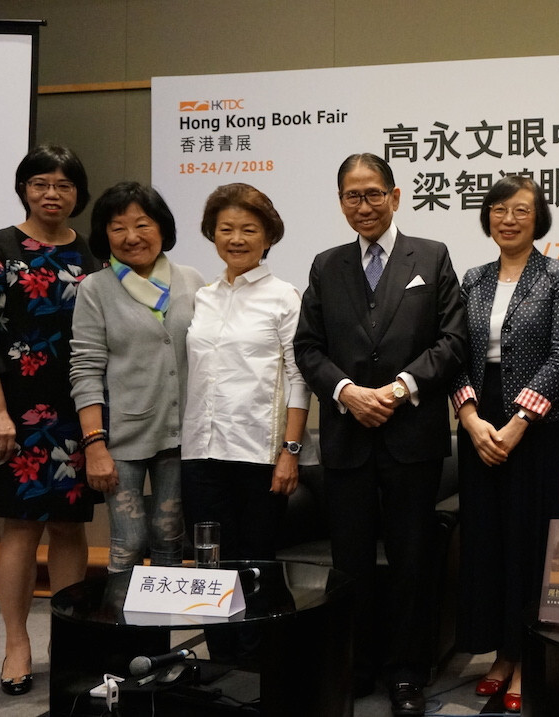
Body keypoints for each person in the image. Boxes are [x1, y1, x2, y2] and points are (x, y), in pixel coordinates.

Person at [294, 152, 468, 717]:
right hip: (346, 437)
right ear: (340, 201)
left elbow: (452, 342)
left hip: (411, 438)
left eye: (373, 194)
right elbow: (308, 348)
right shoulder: (326, 265)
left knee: (412, 560)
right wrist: (347, 392)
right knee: (350, 563)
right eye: (351, 196)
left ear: (395, 196)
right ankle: (357, 665)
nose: (363, 206)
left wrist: (395, 391)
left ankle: (408, 673)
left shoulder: (432, 257)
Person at [0, 145, 103, 696]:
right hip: (13, 413)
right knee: (19, 525)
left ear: (78, 194)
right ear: (24, 188)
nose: (52, 193)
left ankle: (66, 641)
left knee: (70, 527)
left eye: (64, 185)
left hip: (73, 408)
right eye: (41, 183)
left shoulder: (89, 255)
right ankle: (16, 642)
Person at [450, 175, 559, 713]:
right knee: (487, 540)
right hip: (481, 422)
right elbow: (454, 351)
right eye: (498, 209)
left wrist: (520, 421)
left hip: (538, 429)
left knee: (533, 543)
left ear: (538, 217)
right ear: (487, 217)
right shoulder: (472, 279)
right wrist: (472, 418)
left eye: (520, 209)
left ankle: (529, 657)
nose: (508, 218)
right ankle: (500, 654)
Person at [70, 182, 204, 574]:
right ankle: (123, 635)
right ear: (103, 235)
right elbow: (86, 369)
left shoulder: (193, 280)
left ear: (162, 228)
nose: (131, 237)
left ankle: (160, 634)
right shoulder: (95, 289)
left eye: (142, 225)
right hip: (121, 440)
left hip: (181, 437)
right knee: (127, 544)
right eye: (117, 228)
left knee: (169, 539)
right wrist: (94, 445)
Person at [182, 183, 308, 562]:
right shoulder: (203, 297)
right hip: (199, 454)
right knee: (209, 563)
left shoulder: (284, 297)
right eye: (226, 229)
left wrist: (290, 452)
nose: (236, 239)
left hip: (258, 456)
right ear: (212, 234)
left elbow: (300, 380)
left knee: (254, 565)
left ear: (268, 237)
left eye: (249, 230)